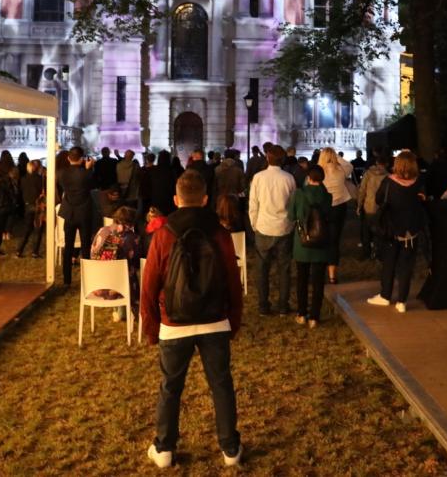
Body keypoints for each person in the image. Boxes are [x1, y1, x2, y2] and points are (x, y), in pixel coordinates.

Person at [141, 171, 244, 468]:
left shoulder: (163, 235)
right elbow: (233, 283)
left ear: (176, 200)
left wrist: (152, 329)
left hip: (174, 323)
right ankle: (230, 449)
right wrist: (233, 322)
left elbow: (149, 287)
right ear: (205, 199)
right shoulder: (220, 234)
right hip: (215, 320)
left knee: (170, 387)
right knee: (221, 385)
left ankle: (164, 448)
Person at [367, 151, 428, 313]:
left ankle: (385, 295)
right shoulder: (418, 182)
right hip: (411, 230)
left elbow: (379, 199)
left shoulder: (389, 182)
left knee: (389, 263)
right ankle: (402, 301)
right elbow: (423, 199)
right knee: (406, 266)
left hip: (391, 229)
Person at [248, 144, 296, 316]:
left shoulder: (258, 178)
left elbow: (253, 204)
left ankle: (263, 305)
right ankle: (283, 305)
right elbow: (292, 204)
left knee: (262, 269)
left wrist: (254, 224)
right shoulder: (289, 179)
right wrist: (290, 224)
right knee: (284, 269)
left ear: (268, 158)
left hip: (264, 227)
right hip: (283, 227)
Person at [288, 164, 332, 328]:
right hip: (321, 242)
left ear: (308, 177)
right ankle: (314, 316)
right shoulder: (327, 196)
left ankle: (301, 314)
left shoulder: (299, 194)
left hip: (303, 242)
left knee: (302, 279)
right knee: (318, 281)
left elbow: (291, 215)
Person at [58, 147, 96, 286]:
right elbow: (92, 185)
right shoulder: (86, 174)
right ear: (81, 159)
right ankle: (87, 279)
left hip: (69, 211)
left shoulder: (62, 173)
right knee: (86, 246)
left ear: (69, 158)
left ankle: (67, 279)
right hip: (84, 212)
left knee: (68, 246)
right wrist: (89, 169)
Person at [89, 205, 139, 303]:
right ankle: (126, 307)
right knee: (131, 269)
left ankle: (120, 308)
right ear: (131, 223)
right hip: (119, 288)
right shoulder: (132, 238)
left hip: (97, 284)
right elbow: (135, 262)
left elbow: (92, 254)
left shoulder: (102, 231)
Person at [318, 147, 351, 284]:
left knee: (321, 239)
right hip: (339, 206)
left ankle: (320, 270)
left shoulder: (319, 171)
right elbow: (349, 166)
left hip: (323, 207)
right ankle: (332, 274)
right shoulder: (341, 170)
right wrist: (336, 156)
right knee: (334, 241)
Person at [356, 151, 390, 261]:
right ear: (387, 164)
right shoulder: (388, 176)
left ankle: (366, 252)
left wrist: (359, 205)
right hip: (381, 208)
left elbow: (362, 190)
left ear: (376, 162)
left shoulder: (368, 173)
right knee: (379, 231)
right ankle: (377, 253)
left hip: (368, 206)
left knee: (366, 231)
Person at [17, 160, 45, 258]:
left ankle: (19, 250)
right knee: (38, 229)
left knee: (27, 229)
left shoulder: (23, 179)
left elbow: (21, 191)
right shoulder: (40, 179)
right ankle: (35, 251)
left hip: (28, 205)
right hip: (38, 205)